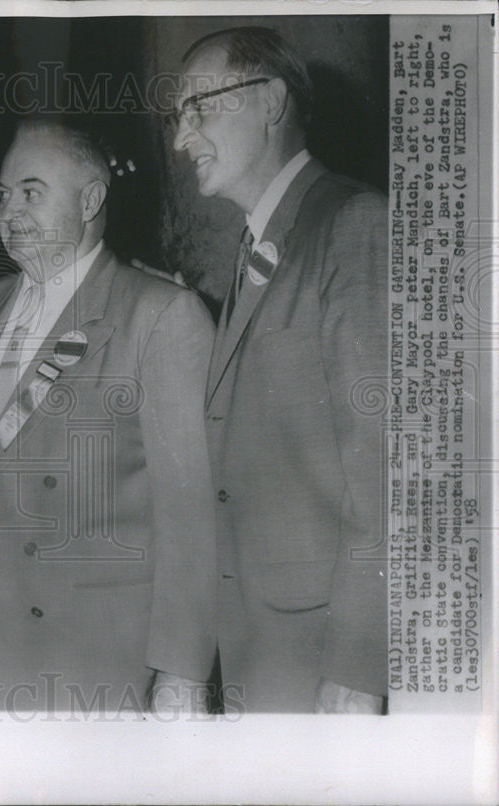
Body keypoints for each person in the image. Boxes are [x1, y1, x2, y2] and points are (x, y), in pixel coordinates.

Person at [0, 119, 216, 713]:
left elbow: (191, 517)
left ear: (91, 199)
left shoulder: (160, 314)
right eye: (2, 194)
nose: (10, 209)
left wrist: (182, 676)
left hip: (97, 662)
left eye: (32, 191)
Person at [172, 27, 388, 713]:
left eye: (198, 108)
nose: (182, 139)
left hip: (324, 654)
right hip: (254, 648)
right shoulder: (256, 249)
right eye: (178, 117)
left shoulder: (355, 225)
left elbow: (387, 464)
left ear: (268, 102)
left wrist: (361, 665)